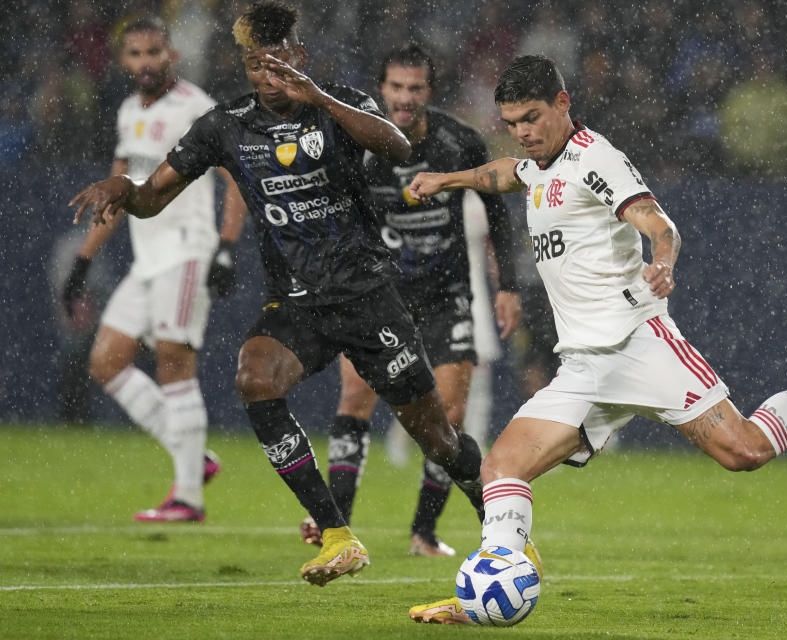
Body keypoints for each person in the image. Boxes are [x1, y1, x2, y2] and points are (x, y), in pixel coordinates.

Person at [404, 55, 787, 624]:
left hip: (641, 345)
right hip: (583, 366)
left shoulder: (596, 160)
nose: (524, 132)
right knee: (499, 471)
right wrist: (448, 180)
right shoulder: (537, 162)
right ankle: (486, 595)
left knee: (746, 452)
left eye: (532, 117)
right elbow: (507, 173)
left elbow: (658, 223)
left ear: (563, 103)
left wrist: (663, 259)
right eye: (512, 123)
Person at [69, 1, 488, 588]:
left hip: (367, 295)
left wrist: (319, 98)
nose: (267, 77)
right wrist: (127, 189)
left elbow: (397, 147)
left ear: (298, 56)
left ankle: (503, 522)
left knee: (439, 438)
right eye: (254, 66)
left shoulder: (337, 103)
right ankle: (337, 534)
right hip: (297, 301)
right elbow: (154, 194)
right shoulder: (227, 123)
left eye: (276, 63)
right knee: (255, 377)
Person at [298, 44, 522, 558]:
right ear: (381, 88)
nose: (405, 97)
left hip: (447, 297)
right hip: (378, 297)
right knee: (355, 399)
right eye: (396, 87)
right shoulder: (360, 142)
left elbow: (498, 214)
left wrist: (507, 285)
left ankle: (424, 533)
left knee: (450, 415)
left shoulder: (457, 141)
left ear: (431, 91)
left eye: (415, 87)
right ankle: (338, 527)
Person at [61, 15, 246, 522]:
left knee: (173, 365)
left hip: (187, 250)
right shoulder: (126, 112)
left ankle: (187, 497)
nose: (145, 63)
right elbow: (114, 193)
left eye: (154, 53)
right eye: (136, 54)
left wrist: (227, 246)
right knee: (105, 362)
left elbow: (235, 178)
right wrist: (84, 257)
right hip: (147, 259)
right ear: (123, 61)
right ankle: (195, 459)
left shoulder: (197, 107)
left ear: (172, 55)